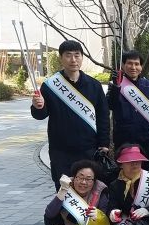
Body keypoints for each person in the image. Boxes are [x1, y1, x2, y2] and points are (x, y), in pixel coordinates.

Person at [31, 40, 110, 189]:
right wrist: (37, 106)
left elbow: (103, 116)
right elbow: (40, 115)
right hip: (61, 151)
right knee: (63, 191)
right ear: (61, 58)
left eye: (77, 55)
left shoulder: (94, 85)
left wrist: (104, 144)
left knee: (88, 191)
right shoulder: (50, 86)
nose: (73, 60)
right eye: (68, 55)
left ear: (82, 57)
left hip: (89, 149)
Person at [43, 160, 111, 225]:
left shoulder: (100, 190)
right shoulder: (67, 185)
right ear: (74, 177)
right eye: (80, 177)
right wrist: (62, 190)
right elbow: (49, 213)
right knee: (51, 217)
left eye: (88, 179)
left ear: (94, 181)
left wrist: (98, 215)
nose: (83, 182)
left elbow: (105, 217)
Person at [107, 50, 149, 170]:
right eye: (130, 63)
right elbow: (109, 105)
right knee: (126, 172)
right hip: (124, 139)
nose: (133, 67)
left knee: (147, 171)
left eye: (137, 64)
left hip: (147, 139)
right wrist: (116, 87)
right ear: (123, 65)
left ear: (141, 66)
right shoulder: (116, 84)